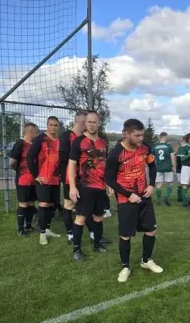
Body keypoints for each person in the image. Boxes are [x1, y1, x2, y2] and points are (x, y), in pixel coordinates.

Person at [105, 119, 163, 283]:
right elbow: (110, 180)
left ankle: (146, 260)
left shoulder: (145, 148)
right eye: (137, 135)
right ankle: (125, 267)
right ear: (126, 133)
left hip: (144, 197)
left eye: (142, 135)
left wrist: (151, 185)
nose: (140, 138)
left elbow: (152, 166)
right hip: (126, 200)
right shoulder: (115, 154)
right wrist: (128, 194)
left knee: (151, 230)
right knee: (125, 235)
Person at [68, 111, 109, 261]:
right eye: (89, 122)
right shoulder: (78, 141)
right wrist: (72, 187)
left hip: (100, 187)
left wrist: (108, 184)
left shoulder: (103, 143)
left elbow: (106, 165)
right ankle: (77, 250)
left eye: (94, 122)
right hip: (85, 186)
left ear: (99, 123)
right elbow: (71, 165)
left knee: (98, 218)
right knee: (81, 218)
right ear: (85, 123)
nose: (92, 125)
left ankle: (97, 244)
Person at [27, 116, 62, 245]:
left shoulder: (58, 140)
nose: (53, 127)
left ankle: (47, 229)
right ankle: (42, 233)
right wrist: (36, 175)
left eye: (56, 125)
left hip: (55, 179)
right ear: (47, 125)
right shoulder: (40, 139)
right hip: (43, 179)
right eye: (51, 125)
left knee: (52, 205)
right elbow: (30, 156)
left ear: (58, 127)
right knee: (44, 205)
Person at [59, 110, 86, 244]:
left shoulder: (83, 137)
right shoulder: (66, 136)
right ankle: (70, 235)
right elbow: (63, 159)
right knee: (69, 205)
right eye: (86, 123)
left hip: (84, 178)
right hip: (70, 178)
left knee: (86, 204)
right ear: (81, 123)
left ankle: (94, 234)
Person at [9, 122, 39, 236]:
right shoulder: (20, 143)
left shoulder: (34, 145)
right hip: (23, 179)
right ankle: (20, 229)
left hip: (33, 180)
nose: (37, 134)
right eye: (36, 132)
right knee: (23, 203)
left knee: (31, 203)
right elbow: (12, 161)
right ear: (30, 131)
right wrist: (20, 171)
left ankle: (28, 225)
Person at [152, 132, 176, 206]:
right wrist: (174, 166)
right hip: (168, 167)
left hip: (158, 167)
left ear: (160, 137)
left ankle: (158, 200)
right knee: (170, 183)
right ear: (165, 137)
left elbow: (152, 158)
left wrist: (153, 166)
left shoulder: (155, 146)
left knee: (159, 184)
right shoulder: (168, 146)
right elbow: (172, 156)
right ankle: (166, 197)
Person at [177, 133, 190, 207]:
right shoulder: (183, 147)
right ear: (187, 140)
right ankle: (184, 201)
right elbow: (182, 159)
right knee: (186, 184)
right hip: (186, 167)